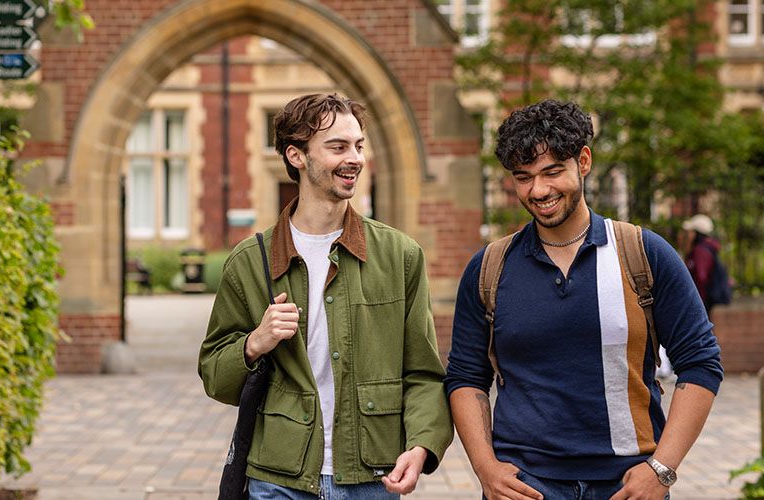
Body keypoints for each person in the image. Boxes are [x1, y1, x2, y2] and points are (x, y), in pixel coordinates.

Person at [445, 99, 724, 500]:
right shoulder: (489, 267)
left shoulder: (643, 253)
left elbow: (700, 363)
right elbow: (466, 377)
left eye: (552, 172)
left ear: (584, 161)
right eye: (523, 178)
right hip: (525, 485)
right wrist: (486, 469)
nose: (538, 191)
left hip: (628, 483)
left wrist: (661, 469)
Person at [198, 93, 453, 499]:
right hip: (279, 477)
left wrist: (422, 444)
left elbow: (423, 372)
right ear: (296, 156)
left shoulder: (400, 255)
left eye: (358, 145)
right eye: (337, 147)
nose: (353, 158)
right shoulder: (248, 262)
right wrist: (254, 343)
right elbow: (215, 375)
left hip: (372, 476)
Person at [681, 214, 723, 319]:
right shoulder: (704, 249)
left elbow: (701, 277)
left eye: (691, 232)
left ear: (696, 234)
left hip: (700, 300)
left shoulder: (700, 251)